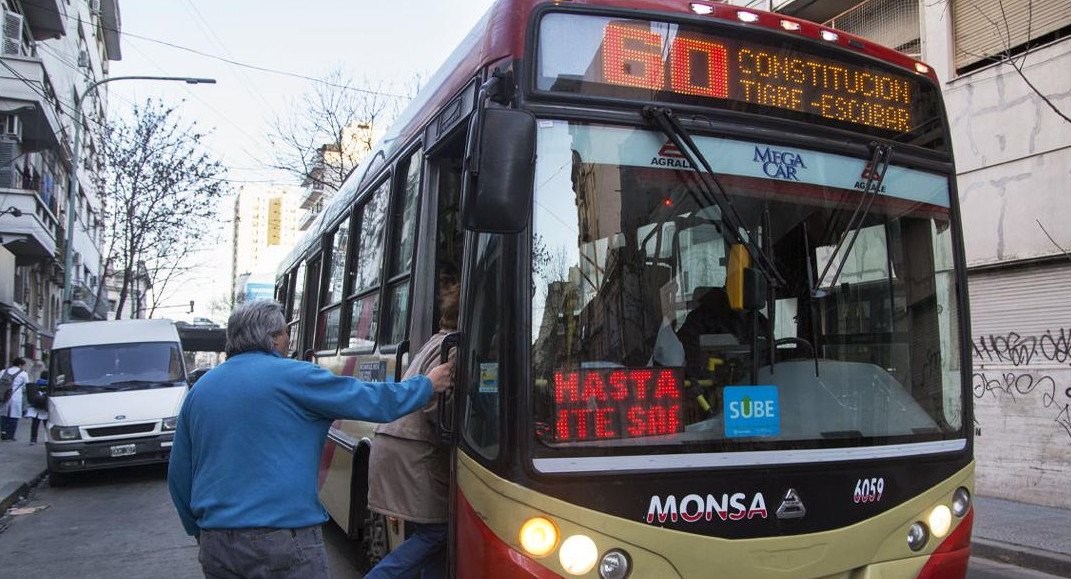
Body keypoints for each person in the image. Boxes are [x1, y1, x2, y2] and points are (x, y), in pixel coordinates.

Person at [167, 299, 454, 579]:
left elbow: (179, 476)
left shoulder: (200, 390)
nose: (288, 341)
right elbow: (374, 402)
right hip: (283, 540)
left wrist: (199, 532)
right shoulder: (296, 377)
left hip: (218, 543)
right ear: (274, 338)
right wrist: (427, 384)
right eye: (285, 334)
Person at [364, 271, 461, 579]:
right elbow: (436, 405)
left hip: (398, 444)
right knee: (439, 532)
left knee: (435, 534)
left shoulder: (437, 340)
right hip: (414, 452)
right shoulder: (455, 348)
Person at [1, 358, 28, 441]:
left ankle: (3, 431)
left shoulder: (3, 371)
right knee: (14, 416)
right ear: (20, 365)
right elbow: (26, 387)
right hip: (16, 396)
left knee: (3, 414)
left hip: (3, 396)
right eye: (24, 365)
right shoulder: (23, 374)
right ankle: (10, 435)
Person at [24, 369, 49, 445]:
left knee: (35, 424)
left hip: (36, 408)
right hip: (45, 407)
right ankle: (48, 438)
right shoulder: (49, 384)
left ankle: (33, 439)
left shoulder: (36, 384)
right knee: (46, 424)